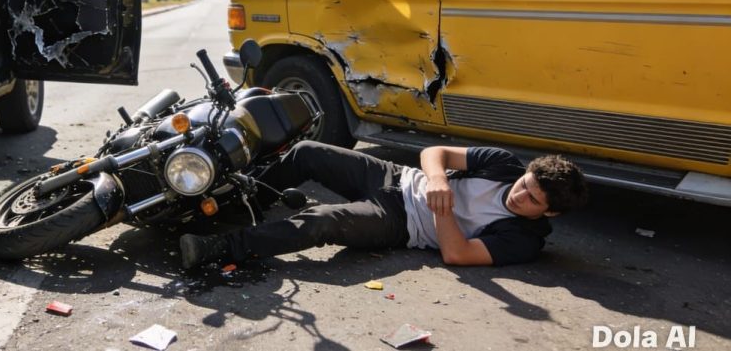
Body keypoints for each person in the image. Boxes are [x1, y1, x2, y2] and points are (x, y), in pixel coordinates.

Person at [179, 140, 589, 269]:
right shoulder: (504, 164)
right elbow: (434, 152)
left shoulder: (525, 239)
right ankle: (231, 206)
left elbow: (457, 254)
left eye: (532, 199)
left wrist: (441, 208)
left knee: (321, 220)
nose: (519, 194)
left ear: (550, 212)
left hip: (401, 222)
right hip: (394, 176)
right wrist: (438, 179)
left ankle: (221, 248)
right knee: (307, 152)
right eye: (524, 184)